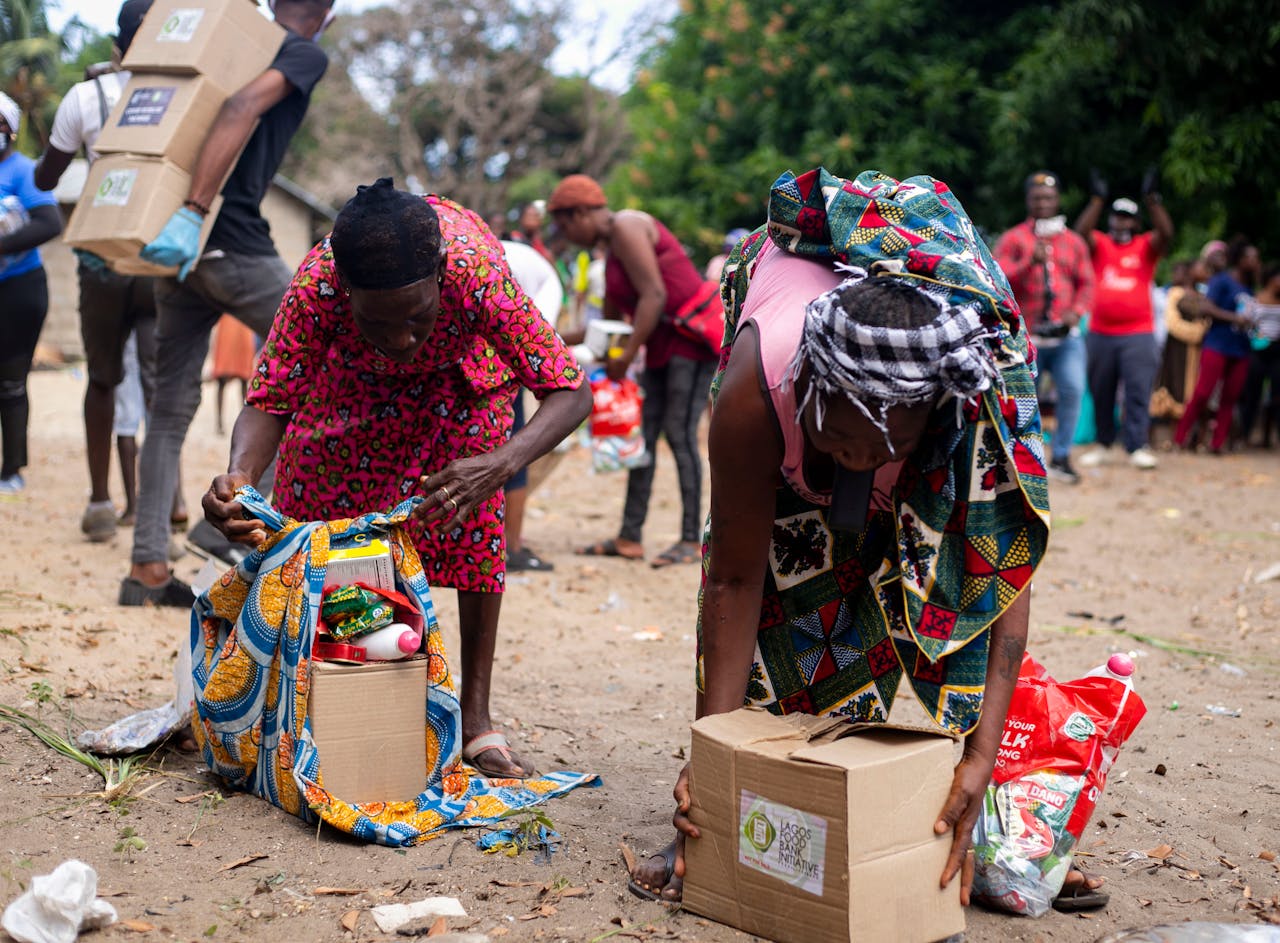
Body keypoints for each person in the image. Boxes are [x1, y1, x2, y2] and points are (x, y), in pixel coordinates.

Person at [623, 167, 1102, 908]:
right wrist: (714, 762)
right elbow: (735, 579)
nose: (857, 460)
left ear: (930, 419)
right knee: (796, 618)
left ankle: (982, 828)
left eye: (883, 444)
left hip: (939, 422)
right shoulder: (758, 392)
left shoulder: (971, 399)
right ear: (812, 387)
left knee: (944, 601)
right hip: (785, 384)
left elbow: (1001, 579)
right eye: (841, 438)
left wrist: (979, 759)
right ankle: (724, 818)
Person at [201, 179, 590, 777]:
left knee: (471, 524)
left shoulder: (477, 274)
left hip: (460, 386)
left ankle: (477, 722)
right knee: (328, 523)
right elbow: (271, 397)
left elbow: (569, 388)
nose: (401, 340)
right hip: (351, 385)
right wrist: (241, 476)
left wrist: (500, 464)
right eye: (378, 321)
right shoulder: (316, 287)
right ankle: (361, 691)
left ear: (439, 273)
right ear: (346, 290)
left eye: (416, 317)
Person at [118, 0, 334, 606]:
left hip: (182, 257)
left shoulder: (233, 46)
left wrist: (180, 222)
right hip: (232, 241)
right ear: (327, 11)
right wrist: (194, 210)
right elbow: (241, 108)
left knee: (167, 412)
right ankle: (244, 527)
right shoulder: (300, 51)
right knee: (325, 355)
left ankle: (148, 568)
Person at [33, 0, 172, 541]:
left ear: (117, 40)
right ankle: (165, 506)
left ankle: (98, 503)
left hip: (101, 260)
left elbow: (46, 178)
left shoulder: (86, 96)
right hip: (158, 257)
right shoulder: (180, 94)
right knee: (161, 387)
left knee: (102, 380)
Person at [549, 174, 719, 568]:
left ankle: (692, 539)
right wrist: (549, 336)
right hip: (661, 346)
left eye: (564, 225)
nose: (565, 235)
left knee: (679, 435)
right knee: (643, 440)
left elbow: (655, 295)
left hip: (687, 343)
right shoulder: (608, 250)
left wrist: (624, 356)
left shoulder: (626, 226)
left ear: (579, 214)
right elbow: (607, 323)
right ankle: (630, 536)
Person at [994, 171, 1094, 484]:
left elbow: (1086, 282)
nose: (1043, 203)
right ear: (1028, 201)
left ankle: (1062, 456)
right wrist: (1027, 262)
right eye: (1037, 197)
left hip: (1066, 338)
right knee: (1025, 399)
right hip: (1027, 338)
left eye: (1049, 197)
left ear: (1057, 200)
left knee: (1073, 389)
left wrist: (1076, 312)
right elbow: (996, 277)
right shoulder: (1014, 238)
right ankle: (1024, 460)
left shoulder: (1073, 241)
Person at [1073, 171, 1173, 470]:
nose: (1120, 222)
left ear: (1135, 222)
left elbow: (1166, 234)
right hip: (1101, 332)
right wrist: (1097, 200)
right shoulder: (1100, 244)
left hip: (1138, 333)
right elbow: (1080, 233)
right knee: (1101, 390)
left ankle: (1136, 446)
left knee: (1138, 390)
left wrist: (1153, 202)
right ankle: (1104, 444)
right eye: (1116, 216)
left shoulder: (1144, 247)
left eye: (1127, 217)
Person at [0, 93, 63, 494]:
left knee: (10, 381)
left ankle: (12, 469)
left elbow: (50, 221)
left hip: (20, 291)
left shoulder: (24, 172)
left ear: (11, 129)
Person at [500, 237, 566, 573]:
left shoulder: (512, 260)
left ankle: (503, 543)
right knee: (514, 447)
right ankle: (511, 547)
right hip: (498, 361)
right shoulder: (548, 283)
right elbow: (538, 343)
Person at [1173, 238, 1260, 453]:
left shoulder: (1249, 287)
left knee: (1230, 398)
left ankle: (1217, 444)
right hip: (1217, 344)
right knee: (1202, 393)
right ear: (1239, 259)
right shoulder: (1222, 280)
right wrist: (1234, 318)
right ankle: (1179, 438)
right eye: (1250, 257)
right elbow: (1206, 307)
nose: (1254, 261)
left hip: (1241, 348)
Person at [1149, 258, 1210, 427]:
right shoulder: (1175, 293)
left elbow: (1207, 322)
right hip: (1175, 349)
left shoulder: (1204, 296)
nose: (1205, 271)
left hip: (1197, 351)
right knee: (1171, 385)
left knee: (1193, 387)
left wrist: (1200, 332)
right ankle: (1163, 435)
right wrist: (1196, 333)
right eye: (1201, 267)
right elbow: (1172, 322)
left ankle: (1185, 434)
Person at [1236, 262, 1280, 447]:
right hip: (1258, 350)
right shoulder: (1255, 300)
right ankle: (1244, 435)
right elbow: (1244, 322)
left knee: (1277, 396)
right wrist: (1255, 336)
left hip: (1278, 351)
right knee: (1251, 394)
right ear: (1272, 279)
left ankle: (1270, 437)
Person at [210, 315, 257, 436]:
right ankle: (219, 423)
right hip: (231, 325)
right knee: (223, 380)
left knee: (243, 382)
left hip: (241, 325)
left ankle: (245, 422)